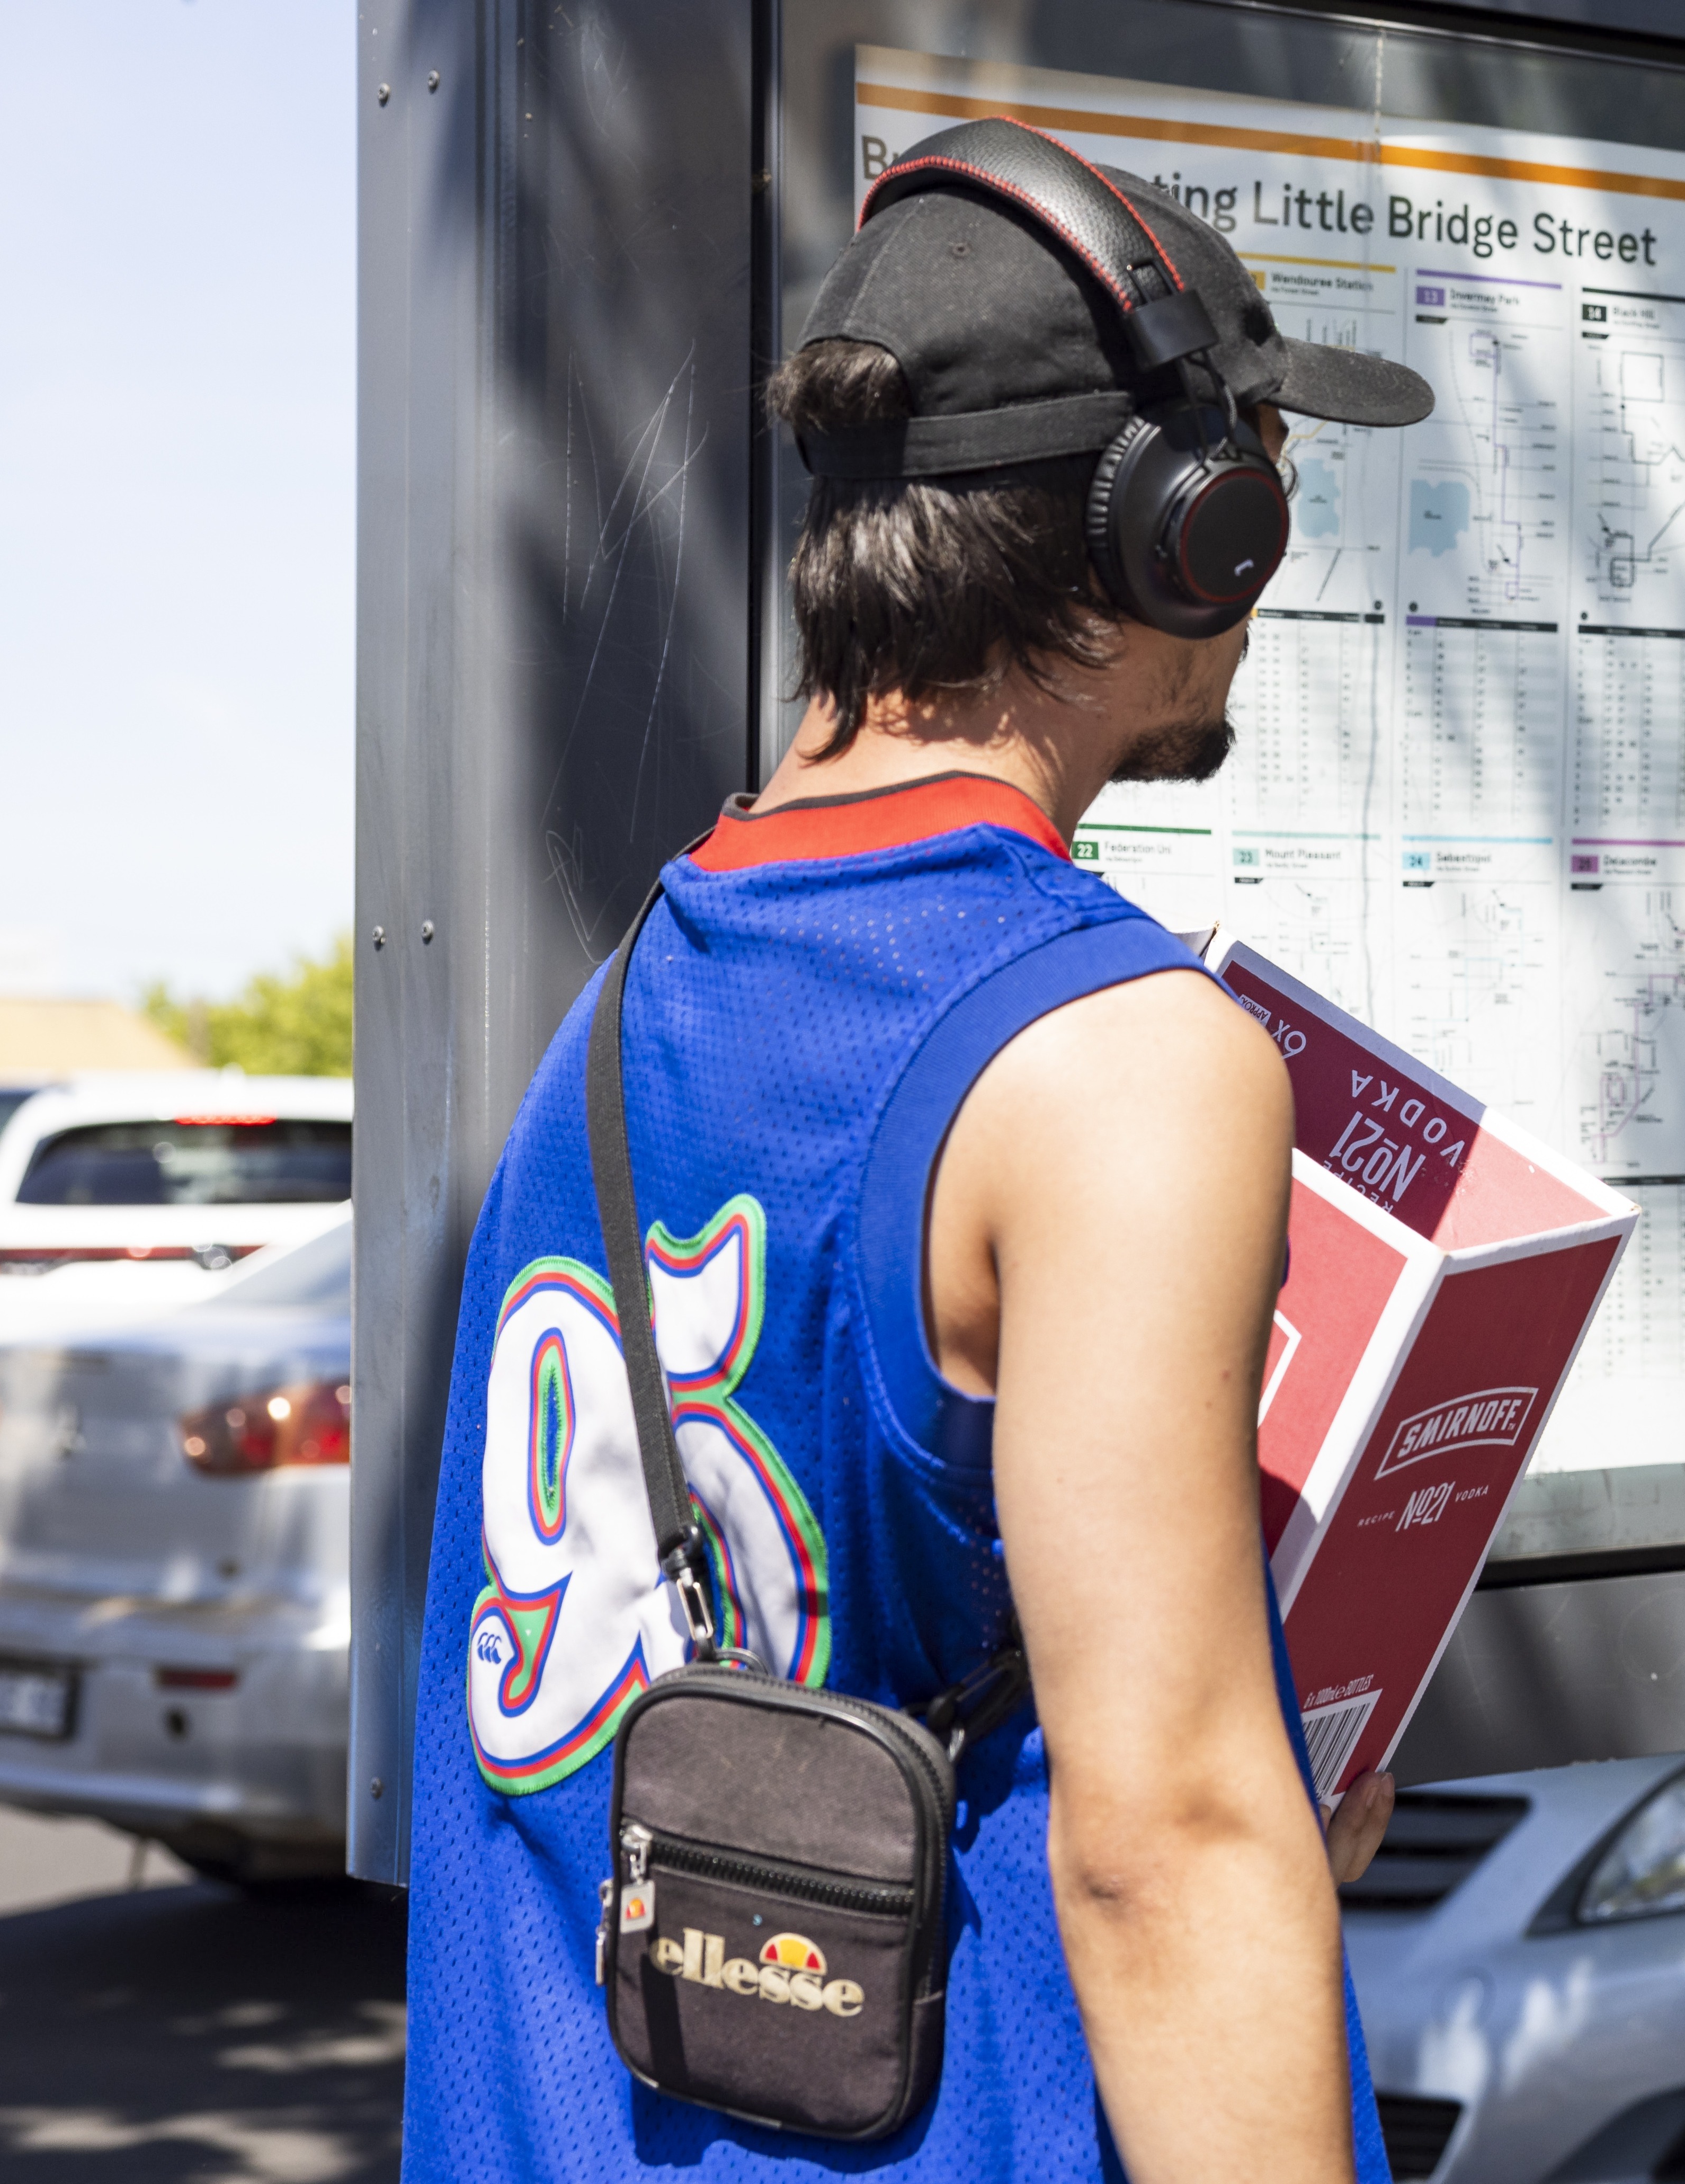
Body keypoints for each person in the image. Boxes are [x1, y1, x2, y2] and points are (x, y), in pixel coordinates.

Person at [401, 121, 1431, 2180]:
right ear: (1184, 531)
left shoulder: (622, 1007)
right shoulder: (1120, 1059)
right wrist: (1217, 1804)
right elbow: (1170, 1851)